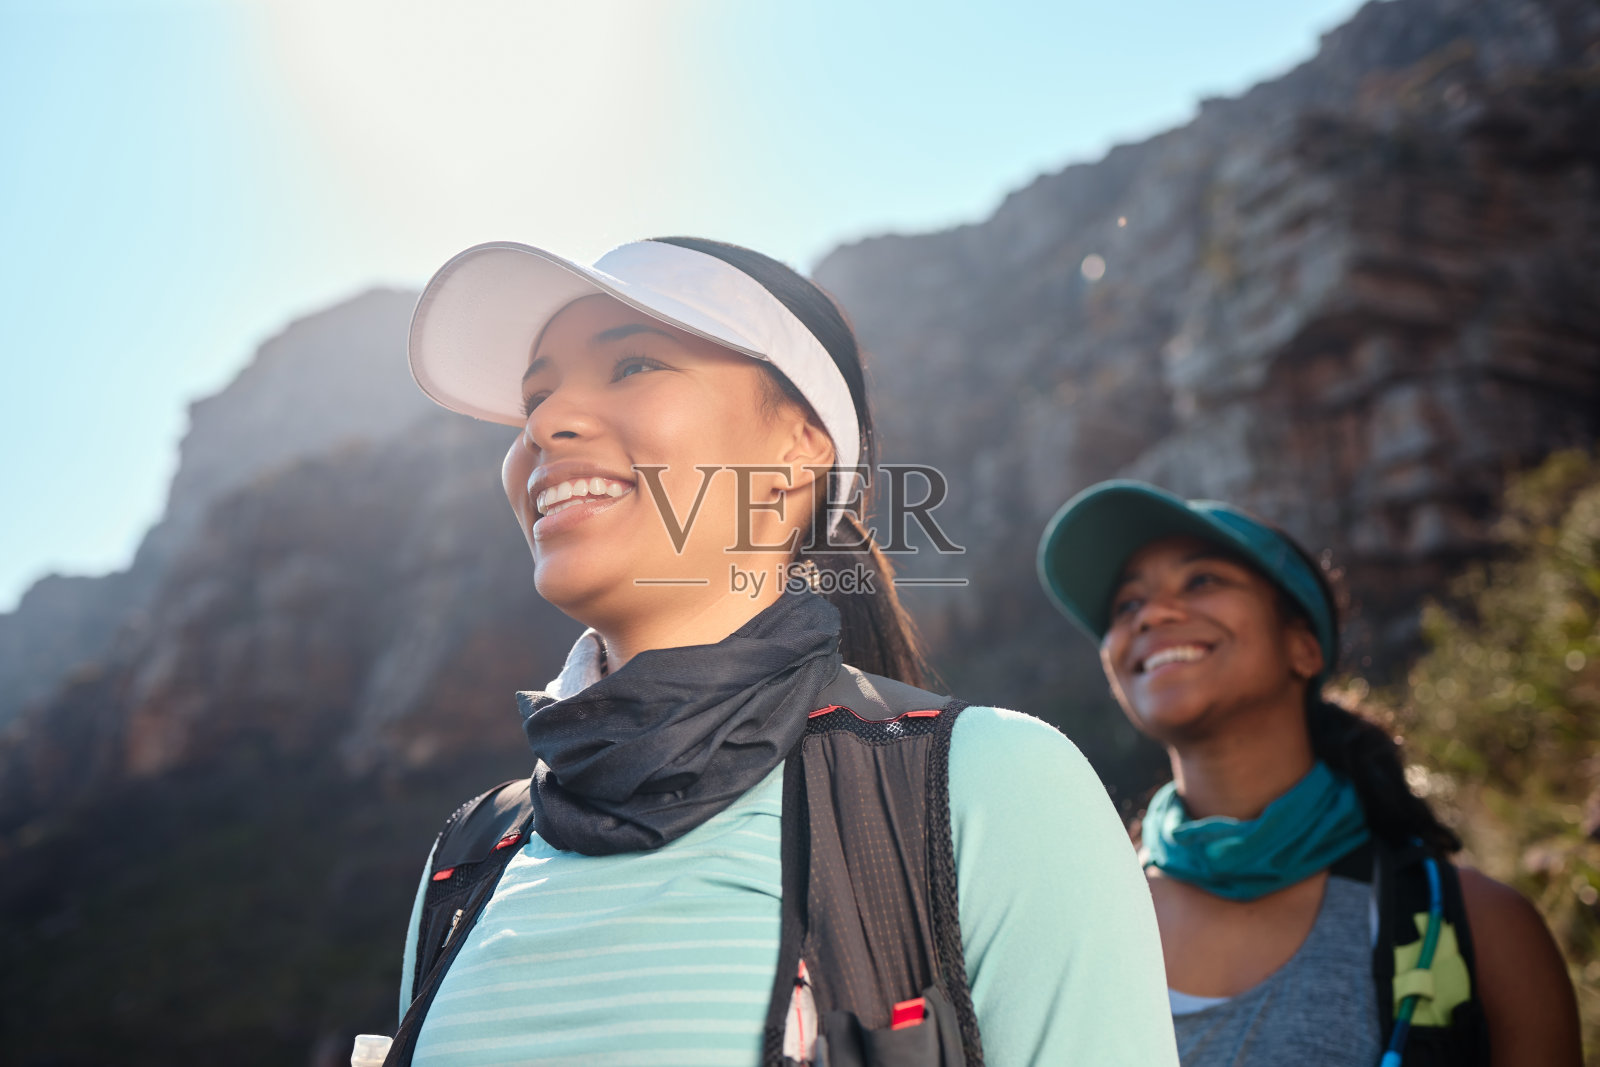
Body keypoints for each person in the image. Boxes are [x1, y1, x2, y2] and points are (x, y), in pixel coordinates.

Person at [391, 237, 1178, 1066]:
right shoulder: (467, 859)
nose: (545, 423)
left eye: (632, 367)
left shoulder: (997, 786)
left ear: (798, 451)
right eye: (536, 395)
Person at [1036, 479, 1583, 1067]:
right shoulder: (1073, 930)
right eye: (1126, 605)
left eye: (1202, 581)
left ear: (1304, 648)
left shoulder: (1479, 926)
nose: (1152, 615)